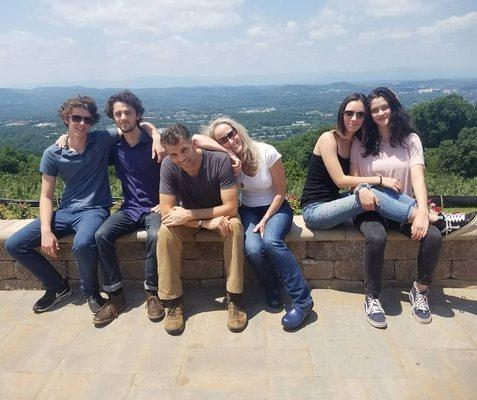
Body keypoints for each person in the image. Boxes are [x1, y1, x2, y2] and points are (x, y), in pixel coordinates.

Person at [92, 90, 239, 326]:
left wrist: (227, 153)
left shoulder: (158, 141)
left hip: (158, 207)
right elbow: (84, 141)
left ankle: (153, 294)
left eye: (128, 112)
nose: (122, 117)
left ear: (137, 114)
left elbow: (195, 140)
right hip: (131, 207)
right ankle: (116, 296)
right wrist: (64, 139)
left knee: (156, 235)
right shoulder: (113, 144)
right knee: (101, 235)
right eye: (118, 113)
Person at [350, 87, 476, 328]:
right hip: (370, 210)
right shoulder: (361, 142)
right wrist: (421, 212)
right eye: (374, 109)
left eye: (384, 107)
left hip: (402, 209)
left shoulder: (410, 140)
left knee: (433, 237)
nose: (380, 113)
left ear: (394, 107)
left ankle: (420, 290)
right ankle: (372, 296)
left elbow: (418, 178)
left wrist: (419, 212)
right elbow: (355, 180)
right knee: (375, 238)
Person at [5, 96, 115, 313]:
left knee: (83, 244)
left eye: (87, 119)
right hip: (65, 211)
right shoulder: (53, 153)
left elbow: (137, 126)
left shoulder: (101, 140)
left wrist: (157, 137)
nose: (82, 124)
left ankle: (90, 291)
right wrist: (46, 230)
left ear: (93, 121)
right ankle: (56, 286)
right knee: (15, 244)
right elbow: (46, 196)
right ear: (67, 118)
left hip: (94, 209)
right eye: (76, 118)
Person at [203, 117, 314, 330]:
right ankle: (271, 288)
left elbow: (281, 192)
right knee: (253, 248)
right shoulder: (227, 161)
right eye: (223, 140)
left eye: (231, 134)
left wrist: (265, 220)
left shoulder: (267, 153)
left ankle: (302, 300)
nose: (230, 140)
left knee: (271, 241)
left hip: (277, 207)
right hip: (249, 210)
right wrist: (227, 154)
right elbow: (196, 139)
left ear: (239, 131)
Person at [157, 124, 247, 335]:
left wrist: (192, 214)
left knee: (234, 227)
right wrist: (202, 223)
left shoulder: (218, 161)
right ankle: (172, 302)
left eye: (184, 150)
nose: (180, 158)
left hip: (220, 216)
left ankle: (235, 298)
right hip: (195, 220)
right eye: (174, 154)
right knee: (165, 232)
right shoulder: (169, 166)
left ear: (194, 143)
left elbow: (231, 207)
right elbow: (167, 214)